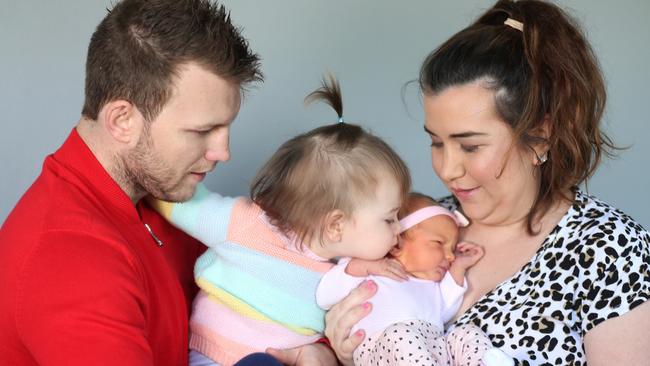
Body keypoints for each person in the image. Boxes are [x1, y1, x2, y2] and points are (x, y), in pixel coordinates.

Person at [322, 0, 650, 365]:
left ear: (539, 137)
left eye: (470, 146)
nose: (447, 169)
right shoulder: (412, 225)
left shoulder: (609, 250)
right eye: (435, 142)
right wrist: (346, 356)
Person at [0, 0, 265, 365]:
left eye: (226, 126)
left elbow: (263, 293)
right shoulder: (68, 260)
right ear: (122, 120)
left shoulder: (161, 194)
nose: (223, 151)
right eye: (203, 130)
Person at [149, 76, 411, 366]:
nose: (400, 228)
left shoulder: (343, 275)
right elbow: (181, 202)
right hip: (214, 357)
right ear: (336, 225)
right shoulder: (247, 225)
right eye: (389, 219)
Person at [317, 192, 513, 366]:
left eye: (452, 249)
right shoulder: (366, 268)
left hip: (433, 347)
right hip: (382, 348)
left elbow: (445, 309)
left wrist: (460, 266)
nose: (451, 256)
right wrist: (363, 267)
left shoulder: (432, 286)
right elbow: (325, 295)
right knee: (400, 335)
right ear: (396, 243)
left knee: (465, 334)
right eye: (439, 244)